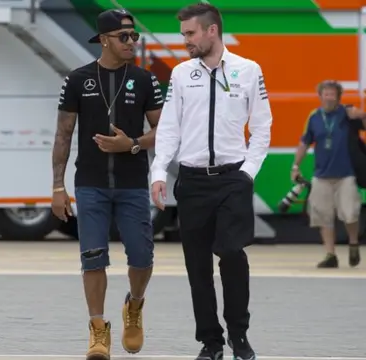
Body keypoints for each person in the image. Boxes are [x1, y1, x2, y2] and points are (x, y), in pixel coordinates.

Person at [150, 3, 272, 360]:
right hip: (192, 181)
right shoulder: (181, 73)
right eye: (183, 33)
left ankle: (239, 334)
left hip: (233, 179)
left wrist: (248, 172)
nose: (184, 40)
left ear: (211, 31)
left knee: (233, 255)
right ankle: (211, 342)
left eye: (190, 33)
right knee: (197, 264)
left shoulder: (248, 70)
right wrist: (159, 171)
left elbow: (263, 125)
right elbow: (169, 126)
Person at [50, 8, 164, 360]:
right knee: (93, 257)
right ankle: (98, 329)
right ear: (103, 40)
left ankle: (135, 305)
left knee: (142, 256)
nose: (132, 42)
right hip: (90, 184)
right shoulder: (78, 79)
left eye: (134, 36)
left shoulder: (146, 80)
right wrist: (57, 187)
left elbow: (165, 133)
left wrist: (130, 144)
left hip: (132, 185)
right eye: (123, 37)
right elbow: (64, 134)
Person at [291, 80, 366, 268]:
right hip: (321, 175)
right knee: (323, 216)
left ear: (338, 97)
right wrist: (295, 166)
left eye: (333, 94)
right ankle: (330, 254)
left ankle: (354, 243)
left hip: (346, 175)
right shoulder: (314, 117)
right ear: (320, 96)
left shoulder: (348, 114)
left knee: (350, 214)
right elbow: (304, 142)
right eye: (326, 93)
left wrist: (362, 115)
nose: (329, 97)